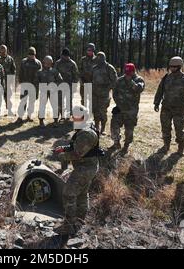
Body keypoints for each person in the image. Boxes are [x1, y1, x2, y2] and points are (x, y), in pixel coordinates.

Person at [54, 105, 101, 235]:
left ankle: (69, 225)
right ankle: (80, 220)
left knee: (69, 193)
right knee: (81, 193)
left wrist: (62, 156)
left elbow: (77, 154)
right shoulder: (85, 127)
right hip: (86, 167)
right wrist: (63, 148)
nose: (73, 118)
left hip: (85, 168)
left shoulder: (86, 133)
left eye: (75, 116)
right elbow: (76, 145)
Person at [154, 56, 184, 155]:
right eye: (171, 66)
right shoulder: (166, 77)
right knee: (165, 128)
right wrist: (156, 102)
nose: (172, 68)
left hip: (178, 109)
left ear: (179, 66)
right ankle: (166, 145)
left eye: (174, 66)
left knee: (179, 130)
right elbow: (160, 91)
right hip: (166, 108)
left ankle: (180, 148)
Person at [111, 63, 145, 154]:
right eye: (126, 72)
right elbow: (115, 93)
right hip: (120, 109)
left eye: (129, 72)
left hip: (131, 111)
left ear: (133, 71)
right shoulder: (120, 80)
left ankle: (126, 145)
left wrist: (130, 81)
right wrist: (119, 104)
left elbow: (139, 89)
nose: (127, 74)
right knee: (114, 126)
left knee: (129, 130)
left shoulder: (139, 80)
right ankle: (116, 142)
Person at [92, 52, 117, 135]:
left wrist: (108, 88)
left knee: (102, 112)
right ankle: (96, 127)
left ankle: (103, 128)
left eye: (99, 59)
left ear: (103, 59)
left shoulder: (109, 68)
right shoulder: (94, 68)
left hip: (104, 94)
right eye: (97, 59)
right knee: (95, 110)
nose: (98, 60)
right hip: (95, 93)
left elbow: (114, 80)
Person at [36, 56, 63, 127]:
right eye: (46, 62)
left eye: (49, 63)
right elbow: (36, 82)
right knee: (42, 106)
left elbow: (60, 81)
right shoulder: (39, 72)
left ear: (52, 63)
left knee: (55, 105)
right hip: (43, 91)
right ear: (43, 62)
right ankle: (41, 121)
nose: (48, 64)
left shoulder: (55, 71)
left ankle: (56, 120)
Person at [17, 47, 42, 123]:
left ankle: (29, 116)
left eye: (33, 54)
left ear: (35, 54)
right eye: (30, 54)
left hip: (34, 87)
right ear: (27, 54)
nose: (31, 56)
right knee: (23, 101)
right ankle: (20, 117)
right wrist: (20, 82)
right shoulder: (23, 62)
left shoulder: (38, 63)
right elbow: (20, 73)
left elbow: (40, 75)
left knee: (32, 102)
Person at [55, 48, 79, 120]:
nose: (65, 57)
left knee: (69, 101)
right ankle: (62, 115)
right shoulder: (58, 63)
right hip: (59, 86)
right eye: (63, 56)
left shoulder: (72, 63)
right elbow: (55, 74)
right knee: (60, 101)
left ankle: (68, 115)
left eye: (66, 56)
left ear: (69, 56)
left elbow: (76, 75)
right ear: (61, 55)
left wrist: (74, 86)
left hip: (70, 86)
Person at [0, 45, 16, 116]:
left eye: (4, 50)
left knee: (8, 97)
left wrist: (12, 80)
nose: (3, 52)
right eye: (1, 50)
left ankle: (9, 111)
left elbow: (13, 69)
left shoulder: (10, 59)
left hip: (7, 81)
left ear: (6, 51)